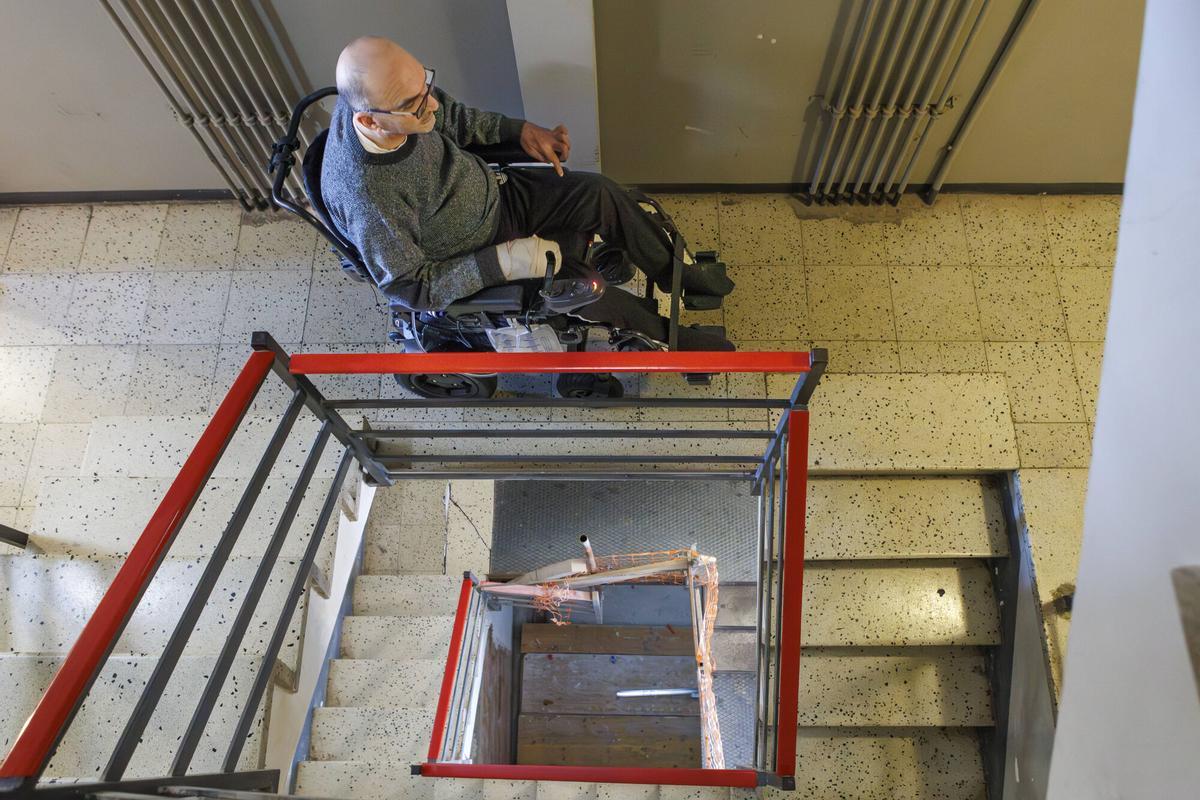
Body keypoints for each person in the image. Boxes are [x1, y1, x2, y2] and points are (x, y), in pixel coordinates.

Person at [320, 36, 735, 350]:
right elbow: (411, 288)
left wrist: (519, 132)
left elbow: (456, 118)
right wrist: (506, 261)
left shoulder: (397, 99)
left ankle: (678, 276)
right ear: (370, 122)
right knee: (585, 288)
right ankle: (675, 338)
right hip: (475, 254)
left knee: (600, 193)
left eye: (427, 85)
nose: (431, 106)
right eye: (417, 104)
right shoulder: (368, 197)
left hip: (496, 195)